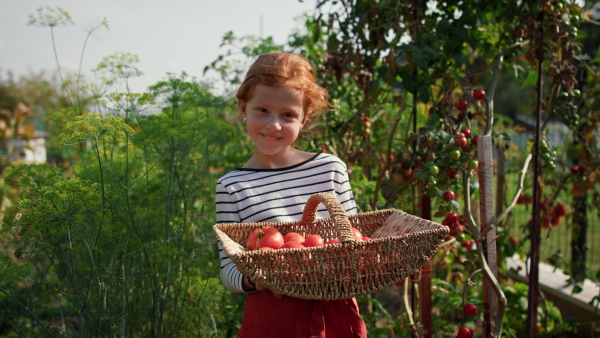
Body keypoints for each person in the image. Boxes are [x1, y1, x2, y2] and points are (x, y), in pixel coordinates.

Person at [215, 51, 367, 338]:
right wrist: (259, 277)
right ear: (243, 106)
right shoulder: (232, 185)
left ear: (304, 118)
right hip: (272, 317)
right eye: (262, 110)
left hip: (333, 309)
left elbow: (356, 240)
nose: (274, 125)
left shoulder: (329, 169)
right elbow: (228, 271)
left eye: (288, 115)